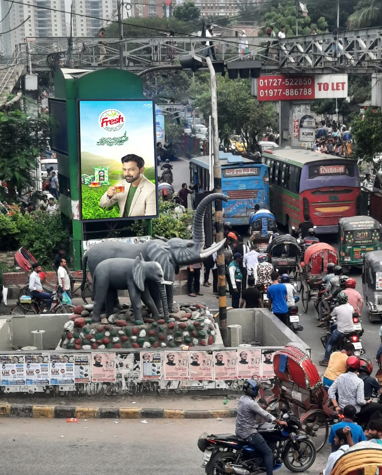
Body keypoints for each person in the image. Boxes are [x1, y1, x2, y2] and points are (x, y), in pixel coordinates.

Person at [236, 380, 287, 475]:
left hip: (240, 430)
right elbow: (264, 414)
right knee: (268, 452)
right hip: (248, 432)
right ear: (252, 390)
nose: (258, 391)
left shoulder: (242, 398)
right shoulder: (251, 404)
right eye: (257, 389)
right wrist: (278, 421)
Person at [320, 292, 354, 366]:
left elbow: (329, 316)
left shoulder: (337, 309)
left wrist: (323, 320)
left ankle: (326, 360)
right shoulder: (351, 307)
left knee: (330, 343)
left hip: (341, 331)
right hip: (351, 330)